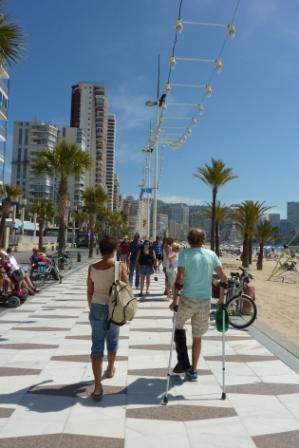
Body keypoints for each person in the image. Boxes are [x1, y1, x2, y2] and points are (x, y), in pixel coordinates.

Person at [170, 229, 227, 381]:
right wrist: (221, 299)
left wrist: (174, 300)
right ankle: (193, 370)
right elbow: (223, 278)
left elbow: (180, 278)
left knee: (178, 326)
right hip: (204, 301)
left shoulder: (185, 254)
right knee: (197, 336)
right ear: (204, 240)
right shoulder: (211, 255)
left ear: (189, 240)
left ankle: (183, 362)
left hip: (188, 298)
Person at [87, 236, 128, 400]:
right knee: (112, 340)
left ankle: (97, 387)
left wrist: (92, 306)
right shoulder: (119, 266)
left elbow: (89, 290)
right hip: (114, 309)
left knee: (96, 345)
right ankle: (110, 369)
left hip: (96, 306)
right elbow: (125, 288)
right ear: (114, 249)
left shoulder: (92, 267)